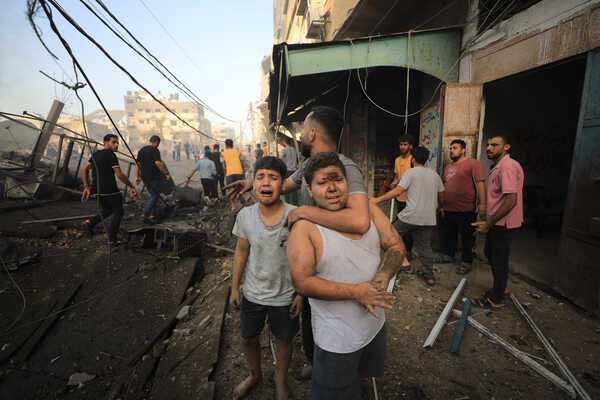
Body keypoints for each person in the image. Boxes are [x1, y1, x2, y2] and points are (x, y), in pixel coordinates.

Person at [225, 106, 372, 379]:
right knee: (311, 322)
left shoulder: (344, 167)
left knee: (335, 323)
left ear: (313, 133)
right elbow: (281, 184)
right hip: (311, 262)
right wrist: (253, 182)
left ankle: (335, 377)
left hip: (335, 263)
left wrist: (305, 213)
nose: (300, 134)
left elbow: (361, 221)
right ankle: (317, 365)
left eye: (303, 128)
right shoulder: (308, 166)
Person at [287, 152, 406, 399]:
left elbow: (395, 244)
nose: (332, 188)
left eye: (338, 179)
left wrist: (384, 274)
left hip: (374, 326)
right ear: (308, 189)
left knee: (362, 378)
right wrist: (356, 292)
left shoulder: (368, 211)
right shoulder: (304, 228)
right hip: (336, 340)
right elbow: (303, 282)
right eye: (322, 182)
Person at [230, 156, 302, 400]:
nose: (266, 182)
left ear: (282, 184)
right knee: (248, 338)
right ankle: (255, 375)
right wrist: (234, 289)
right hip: (253, 293)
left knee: (283, 340)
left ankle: (280, 381)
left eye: (273, 177)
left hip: (285, 296)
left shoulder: (295, 216)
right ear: (253, 183)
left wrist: (301, 293)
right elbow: (241, 252)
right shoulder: (246, 216)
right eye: (260, 177)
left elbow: (305, 258)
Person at [371, 146, 445, 286]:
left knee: (389, 234)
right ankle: (429, 276)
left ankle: (402, 262)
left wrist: (377, 199)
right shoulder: (435, 175)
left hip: (411, 215)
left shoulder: (410, 173)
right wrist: (440, 207)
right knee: (424, 247)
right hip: (428, 218)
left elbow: (398, 191)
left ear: (413, 159)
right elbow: (442, 196)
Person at [471, 134, 524, 308]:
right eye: (488, 145)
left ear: (506, 147)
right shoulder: (500, 166)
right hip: (497, 222)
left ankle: (495, 298)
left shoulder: (507, 167)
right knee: (491, 254)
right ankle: (500, 287)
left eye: (494, 145)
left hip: (503, 224)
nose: (489, 148)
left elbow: (510, 200)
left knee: (498, 259)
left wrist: (489, 223)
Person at [438, 139, 486, 274]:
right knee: (449, 235)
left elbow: (480, 183)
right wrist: (441, 206)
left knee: (467, 238)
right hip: (448, 209)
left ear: (463, 150)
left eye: (455, 148)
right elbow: (443, 186)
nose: (451, 150)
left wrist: (482, 204)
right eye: (451, 148)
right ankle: (448, 256)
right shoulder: (448, 167)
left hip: (466, 210)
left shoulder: (472, 164)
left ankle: (466, 262)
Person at [81, 134, 137, 244]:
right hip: (109, 189)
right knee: (119, 212)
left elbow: (84, 169)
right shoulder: (111, 155)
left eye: (117, 143)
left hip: (96, 189)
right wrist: (131, 186)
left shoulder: (96, 154)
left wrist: (87, 187)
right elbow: (119, 175)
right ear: (105, 142)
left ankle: (89, 223)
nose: (116, 145)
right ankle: (112, 239)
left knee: (107, 210)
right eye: (114, 142)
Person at [136, 135, 171, 224]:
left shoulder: (141, 150)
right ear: (156, 142)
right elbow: (158, 163)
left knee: (153, 195)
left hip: (144, 177)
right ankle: (145, 213)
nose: (158, 145)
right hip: (153, 177)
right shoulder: (155, 150)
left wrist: (137, 177)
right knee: (155, 195)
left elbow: (137, 165)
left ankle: (153, 216)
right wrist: (166, 173)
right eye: (158, 143)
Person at [222, 139, 245, 210]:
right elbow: (241, 163)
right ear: (232, 145)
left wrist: (225, 173)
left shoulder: (223, 153)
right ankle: (241, 202)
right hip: (239, 172)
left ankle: (233, 206)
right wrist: (243, 171)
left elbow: (223, 165)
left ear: (225, 145)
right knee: (240, 188)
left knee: (231, 190)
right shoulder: (237, 152)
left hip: (230, 173)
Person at [278, 136, 298, 205]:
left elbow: (280, 161)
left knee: (287, 190)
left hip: (287, 172)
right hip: (295, 172)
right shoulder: (295, 150)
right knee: (294, 190)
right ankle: (295, 205)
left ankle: (288, 205)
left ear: (284, 142)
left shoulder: (284, 150)